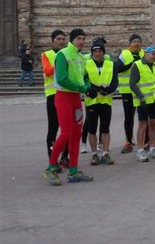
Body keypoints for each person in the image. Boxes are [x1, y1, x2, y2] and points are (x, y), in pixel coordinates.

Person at [43, 28, 95, 185]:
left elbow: (84, 77)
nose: (81, 41)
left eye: (83, 39)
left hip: (76, 100)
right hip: (63, 97)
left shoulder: (81, 57)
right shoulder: (62, 54)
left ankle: (73, 171)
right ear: (72, 39)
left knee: (77, 133)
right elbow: (62, 78)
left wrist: (88, 86)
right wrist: (83, 88)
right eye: (79, 38)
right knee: (66, 132)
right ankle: (51, 167)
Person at [130, 46, 155, 162]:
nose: (154, 57)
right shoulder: (137, 65)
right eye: (152, 54)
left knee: (154, 124)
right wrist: (141, 96)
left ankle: (152, 148)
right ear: (145, 54)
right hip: (143, 101)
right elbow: (132, 84)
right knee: (142, 125)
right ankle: (141, 150)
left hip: (154, 99)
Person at [84, 40, 118, 165]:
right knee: (92, 129)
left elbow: (115, 82)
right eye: (95, 51)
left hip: (106, 101)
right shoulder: (86, 64)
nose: (97, 53)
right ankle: (94, 154)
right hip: (91, 101)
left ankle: (105, 153)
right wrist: (95, 89)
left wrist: (107, 90)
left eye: (100, 51)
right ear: (92, 52)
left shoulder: (111, 64)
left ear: (103, 52)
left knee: (105, 128)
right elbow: (84, 80)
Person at [42, 30, 69, 166]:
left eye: (63, 39)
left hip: (67, 94)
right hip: (53, 95)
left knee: (67, 129)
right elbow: (47, 72)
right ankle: (52, 159)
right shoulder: (47, 55)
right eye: (58, 39)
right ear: (53, 40)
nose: (61, 41)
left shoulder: (68, 54)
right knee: (53, 128)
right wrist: (59, 63)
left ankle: (65, 157)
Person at [117, 34, 143, 153]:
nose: (136, 43)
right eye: (134, 41)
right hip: (127, 91)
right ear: (130, 44)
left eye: (138, 41)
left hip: (142, 91)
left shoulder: (144, 54)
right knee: (129, 117)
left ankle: (145, 142)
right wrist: (132, 63)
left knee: (143, 117)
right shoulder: (124, 54)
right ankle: (128, 142)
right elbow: (118, 68)